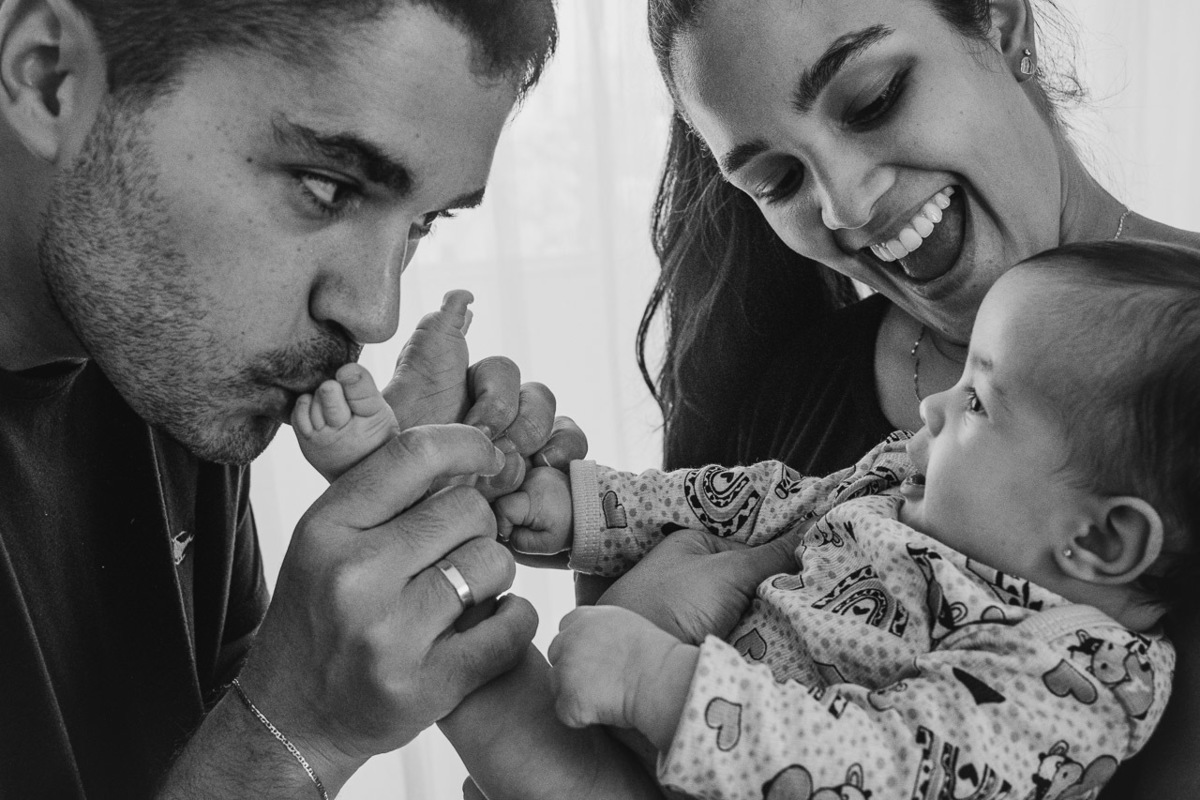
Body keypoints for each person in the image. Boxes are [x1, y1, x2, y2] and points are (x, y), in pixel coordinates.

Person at [299, 241, 1198, 799]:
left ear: (1101, 540)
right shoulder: (912, 488)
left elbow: (892, 769)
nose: (936, 406)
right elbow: (749, 502)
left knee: (486, 686)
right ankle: (419, 476)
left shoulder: (1076, 671)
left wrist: (663, 688)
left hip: (673, 752)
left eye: (982, 404)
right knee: (475, 655)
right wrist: (578, 507)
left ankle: (410, 484)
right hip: (652, 719)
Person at [0, 0, 592, 797]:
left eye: (423, 224)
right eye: (326, 186)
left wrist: (407, 527)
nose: (374, 314)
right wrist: (296, 728)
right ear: (50, 81)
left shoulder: (166, 367)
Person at [618, 1, 1200, 796]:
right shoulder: (773, 394)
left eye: (873, 100)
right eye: (780, 179)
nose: (845, 207)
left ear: (1002, 23)